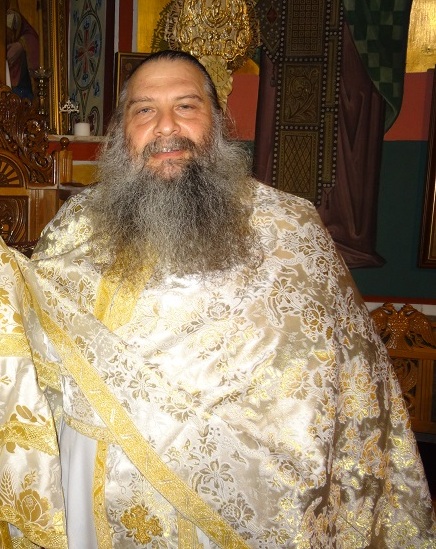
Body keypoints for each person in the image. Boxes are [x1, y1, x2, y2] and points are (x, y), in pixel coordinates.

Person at [0, 50, 435, 548]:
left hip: (249, 505)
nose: (166, 127)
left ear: (218, 122)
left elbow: (347, 385)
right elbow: (33, 338)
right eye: (144, 110)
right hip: (99, 494)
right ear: (122, 131)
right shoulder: (77, 228)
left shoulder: (289, 228)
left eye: (186, 107)